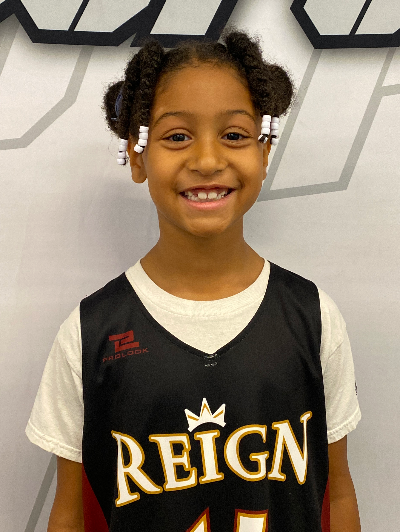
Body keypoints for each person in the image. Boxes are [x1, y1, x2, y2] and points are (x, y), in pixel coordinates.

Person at [26, 30, 361, 532]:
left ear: (264, 152)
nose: (207, 160)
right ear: (137, 156)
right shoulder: (91, 331)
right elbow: (71, 512)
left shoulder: (312, 316)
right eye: (178, 136)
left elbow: (338, 495)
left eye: (234, 135)